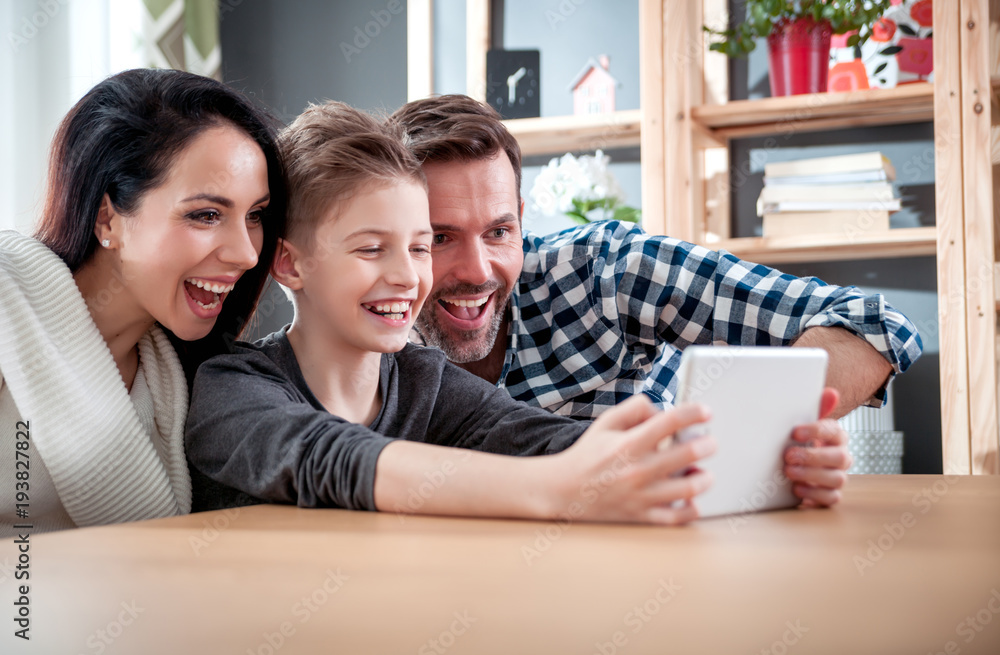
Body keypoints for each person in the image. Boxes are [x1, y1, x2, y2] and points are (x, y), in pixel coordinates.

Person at [184, 101, 719, 525]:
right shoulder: (231, 385)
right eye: (371, 248)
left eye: (420, 247)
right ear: (289, 262)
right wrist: (555, 489)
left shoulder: (425, 382)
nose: (407, 276)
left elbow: (535, 437)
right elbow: (331, 459)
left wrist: (669, 457)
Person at [391, 95, 924, 505]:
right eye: (439, 238)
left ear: (522, 218)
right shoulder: (370, 332)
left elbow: (871, 323)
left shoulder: (606, 270)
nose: (479, 271)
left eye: (499, 231)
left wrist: (779, 443)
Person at [0, 68, 287, 537]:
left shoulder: (186, 377)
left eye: (255, 215)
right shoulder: (6, 297)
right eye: (206, 214)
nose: (248, 253)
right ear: (107, 218)